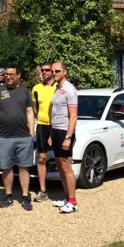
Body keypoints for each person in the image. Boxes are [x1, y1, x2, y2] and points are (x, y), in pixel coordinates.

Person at [0, 64, 35, 211]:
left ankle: (25, 196)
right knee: (6, 168)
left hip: (23, 136)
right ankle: (8, 195)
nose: (8, 76)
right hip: (4, 137)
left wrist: (32, 132)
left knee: (24, 168)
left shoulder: (24, 91)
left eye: (11, 74)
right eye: (6, 74)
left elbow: (29, 112)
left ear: (18, 75)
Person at [49, 62, 79, 213]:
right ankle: (67, 197)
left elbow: (73, 116)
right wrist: (50, 134)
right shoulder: (57, 88)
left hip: (64, 132)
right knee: (60, 166)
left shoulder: (70, 90)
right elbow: (55, 112)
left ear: (65, 72)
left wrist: (68, 136)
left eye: (57, 71)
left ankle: (73, 202)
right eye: (53, 71)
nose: (54, 73)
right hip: (55, 131)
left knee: (66, 167)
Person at [31, 62, 56, 202]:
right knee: (41, 158)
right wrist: (39, 117)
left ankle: (66, 191)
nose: (45, 72)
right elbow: (34, 106)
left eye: (48, 70)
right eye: (43, 70)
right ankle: (43, 190)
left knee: (61, 159)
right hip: (42, 125)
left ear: (53, 72)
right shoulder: (36, 88)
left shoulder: (59, 87)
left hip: (57, 125)